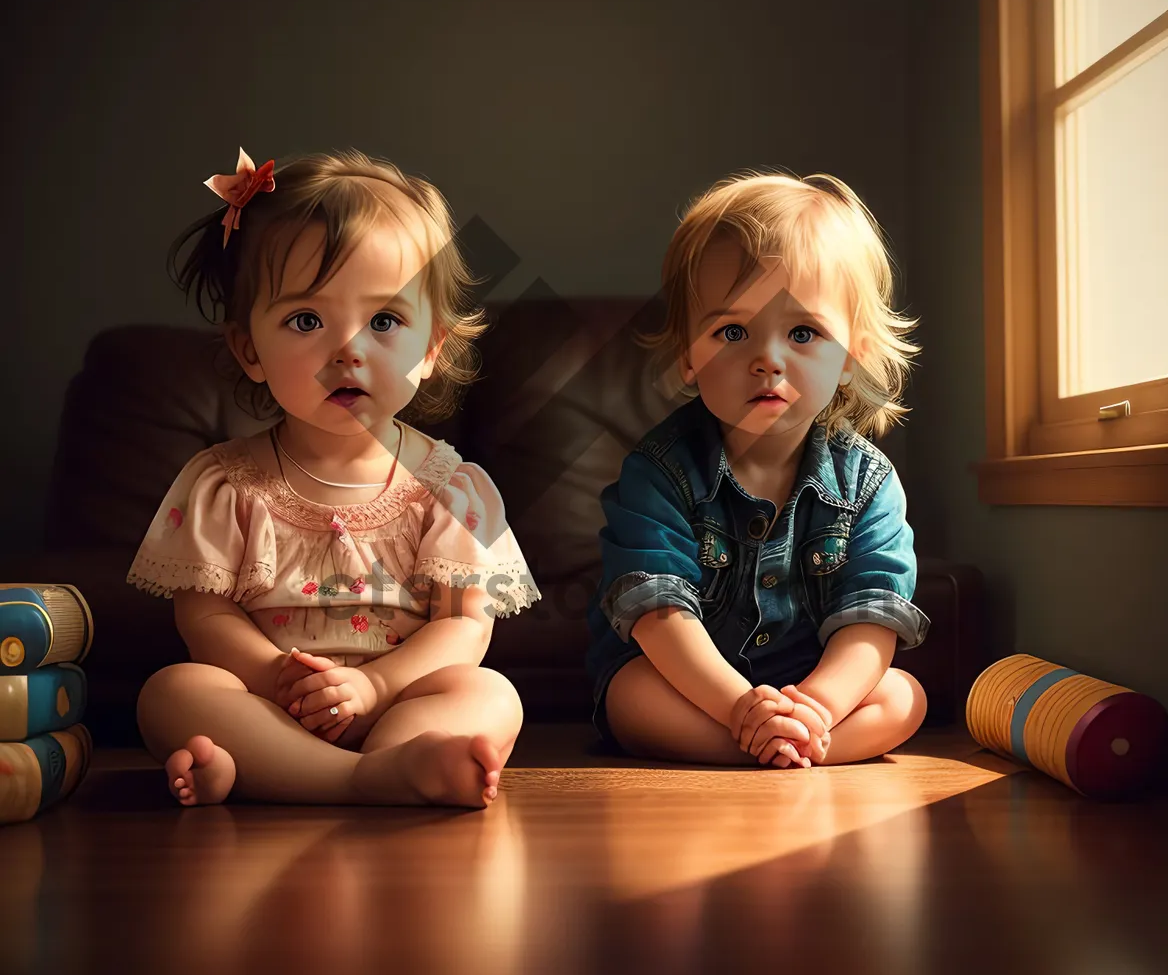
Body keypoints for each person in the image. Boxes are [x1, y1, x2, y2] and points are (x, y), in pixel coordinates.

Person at [129, 147, 537, 808]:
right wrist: (277, 676)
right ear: (249, 349)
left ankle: (354, 763)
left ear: (431, 347)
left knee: (489, 692)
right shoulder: (224, 483)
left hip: (398, 701)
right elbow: (203, 612)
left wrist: (377, 688)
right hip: (271, 703)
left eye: (384, 321)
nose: (347, 349)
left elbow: (464, 626)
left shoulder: (450, 486)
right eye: (306, 321)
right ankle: (355, 780)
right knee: (174, 691)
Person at [586, 171, 929, 769]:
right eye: (732, 332)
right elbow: (658, 613)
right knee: (630, 696)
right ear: (689, 356)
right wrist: (741, 707)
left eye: (803, 333)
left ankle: (795, 745)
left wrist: (817, 707)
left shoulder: (869, 482)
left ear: (853, 357)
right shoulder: (659, 471)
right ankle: (772, 746)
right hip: (690, 688)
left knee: (903, 697)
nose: (767, 360)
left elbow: (873, 615)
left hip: (811, 690)